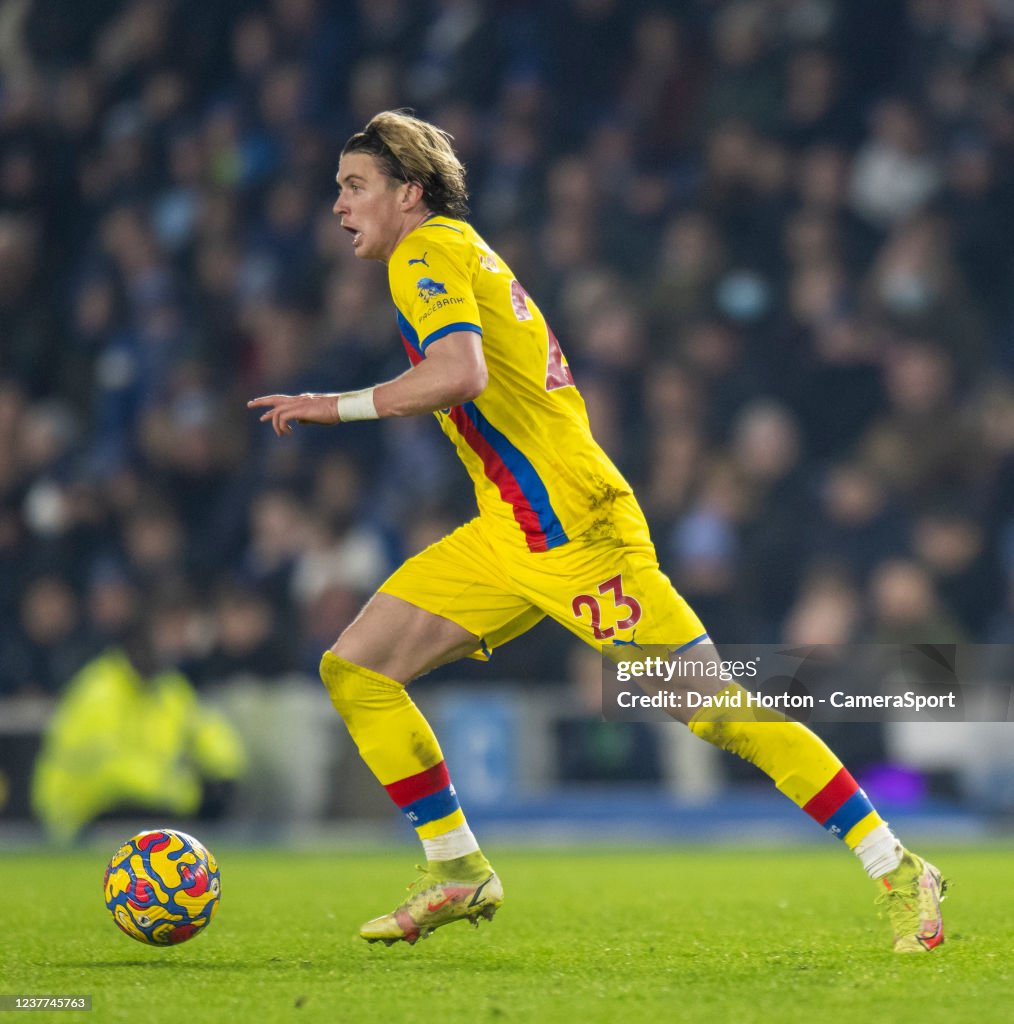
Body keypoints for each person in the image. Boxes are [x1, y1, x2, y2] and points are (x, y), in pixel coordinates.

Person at [248, 110, 946, 951]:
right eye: (336, 189)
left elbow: (458, 373)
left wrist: (334, 406)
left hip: (573, 529)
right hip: (510, 527)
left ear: (409, 192)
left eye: (354, 186)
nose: (339, 205)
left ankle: (900, 866)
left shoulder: (425, 251)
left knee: (714, 710)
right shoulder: (455, 250)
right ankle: (457, 869)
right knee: (357, 669)